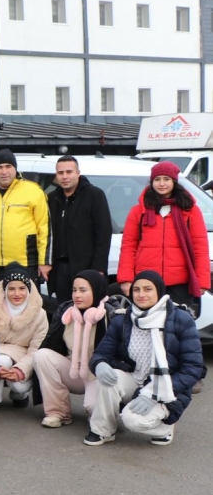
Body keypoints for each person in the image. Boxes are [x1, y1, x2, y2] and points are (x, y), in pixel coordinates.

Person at [85, 271, 204, 446]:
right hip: (134, 377)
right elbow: (101, 353)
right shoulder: (123, 319)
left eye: (148, 289)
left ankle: (164, 429)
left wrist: (153, 394)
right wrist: (100, 364)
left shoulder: (181, 319)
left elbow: (193, 368)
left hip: (168, 386)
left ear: (160, 291)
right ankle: (102, 430)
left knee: (132, 420)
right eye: (137, 290)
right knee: (108, 377)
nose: (141, 294)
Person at [118, 161, 210, 310]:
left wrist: (202, 281)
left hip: (180, 283)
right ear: (152, 181)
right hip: (146, 283)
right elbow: (128, 246)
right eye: (157, 179)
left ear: (174, 181)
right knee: (146, 327)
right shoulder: (138, 211)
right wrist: (126, 279)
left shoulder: (190, 210)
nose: (162, 184)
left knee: (177, 327)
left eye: (166, 179)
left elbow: (200, 247)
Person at [31, 270, 109, 428]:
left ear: (97, 290)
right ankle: (58, 412)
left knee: (94, 410)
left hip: (97, 374)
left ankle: (100, 413)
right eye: (74, 290)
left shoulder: (111, 315)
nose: (77, 295)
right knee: (42, 355)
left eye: (83, 290)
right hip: (72, 369)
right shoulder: (66, 312)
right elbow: (50, 343)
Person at [0, 149, 51, 291]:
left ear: (15, 169)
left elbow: (45, 228)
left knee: (25, 308)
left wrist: (44, 262)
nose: (4, 171)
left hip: (25, 263)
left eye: (8, 166)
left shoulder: (33, 191)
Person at [0, 266, 48, 413]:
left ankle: (20, 394)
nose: (17, 293)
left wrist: (20, 370)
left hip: (23, 356)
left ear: (29, 290)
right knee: (1, 360)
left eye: (22, 288)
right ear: (4, 290)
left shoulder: (40, 314)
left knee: (18, 385)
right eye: (11, 289)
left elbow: (36, 349)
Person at [48, 155, 112, 303]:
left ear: (78, 173)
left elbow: (103, 233)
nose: (64, 176)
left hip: (87, 267)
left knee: (89, 315)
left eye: (69, 172)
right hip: (59, 269)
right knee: (64, 313)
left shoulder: (95, 195)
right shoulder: (52, 198)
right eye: (60, 173)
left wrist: (98, 269)